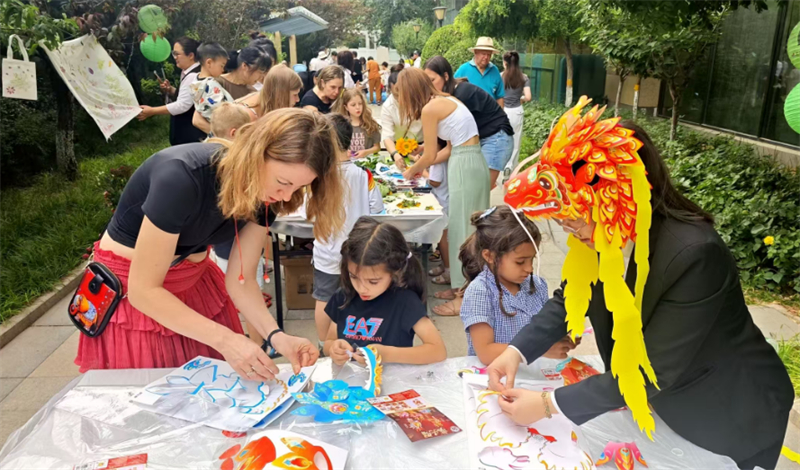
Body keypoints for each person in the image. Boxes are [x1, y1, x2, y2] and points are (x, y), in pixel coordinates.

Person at [488, 104, 793, 470]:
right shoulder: (602, 236)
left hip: (730, 407)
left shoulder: (695, 255)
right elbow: (571, 296)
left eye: (577, 220)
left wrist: (547, 404)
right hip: (662, 400)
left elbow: (652, 370)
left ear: (619, 198)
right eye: (565, 222)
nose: (573, 230)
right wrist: (516, 351)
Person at [76, 108, 345, 380]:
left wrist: (277, 336)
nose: (285, 196)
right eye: (283, 182)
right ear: (256, 153)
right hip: (133, 291)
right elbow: (143, 291)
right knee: (157, 389)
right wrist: (226, 340)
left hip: (193, 282)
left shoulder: (269, 195)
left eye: (298, 188)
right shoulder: (182, 176)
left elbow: (241, 279)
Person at [398, 68, 490, 304]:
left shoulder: (430, 109)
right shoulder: (446, 99)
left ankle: (463, 296)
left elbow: (430, 156)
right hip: (471, 160)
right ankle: (462, 287)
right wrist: (421, 154)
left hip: (464, 164)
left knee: (462, 230)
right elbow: (448, 147)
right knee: (467, 228)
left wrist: (409, 172)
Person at [324, 217, 447, 365]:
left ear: (395, 272)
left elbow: (437, 351)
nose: (361, 288)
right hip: (350, 377)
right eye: (354, 277)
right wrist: (334, 348)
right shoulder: (344, 296)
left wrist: (387, 354)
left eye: (373, 281)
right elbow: (329, 342)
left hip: (393, 377)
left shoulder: (405, 302)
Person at [459, 206, 567, 366]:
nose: (529, 268)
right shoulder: (480, 291)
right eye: (520, 262)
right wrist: (539, 349)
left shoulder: (537, 285)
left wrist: (561, 337)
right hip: (494, 375)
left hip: (533, 372)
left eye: (532, 259)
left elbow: (544, 330)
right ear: (489, 256)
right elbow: (485, 352)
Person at [311, 115, 384, 350]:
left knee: (324, 297)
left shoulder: (317, 176)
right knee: (359, 296)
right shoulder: (364, 174)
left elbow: (306, 212)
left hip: (327, 250)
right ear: (350, 140)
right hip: (358, 249)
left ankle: (324, 346)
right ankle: (359, 344)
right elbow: (377, 207)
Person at [425, 56, 513, 207]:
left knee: (478, 194)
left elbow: (449, 146)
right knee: (472, 195)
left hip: (497, 138)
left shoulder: (461, 94)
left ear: (445, 76)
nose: (429, 86)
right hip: (484, 139)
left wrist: (423, 162)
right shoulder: (450, 96)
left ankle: (480, 222)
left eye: (432, 80)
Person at [137, 37, 206, 146]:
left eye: (177, 54)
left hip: (189, 135)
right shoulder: (190, 72)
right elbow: (189, 96)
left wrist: (152, 111)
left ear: (191, 55)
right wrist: (171, 89)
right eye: (173, 54)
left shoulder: (193, 76)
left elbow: (182, 105)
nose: (175, 57)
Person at [193, 46, 273, 134]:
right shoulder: (215, 84)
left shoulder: (253, 92)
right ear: (245, 66)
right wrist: (223, 136)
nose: (261, 77)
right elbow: (197, 120)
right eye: (260, 72)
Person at [501, 51, 531, 174]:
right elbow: (528, 97)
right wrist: (520, 99)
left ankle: (502, 166)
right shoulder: (523, 77)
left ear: (505, 63)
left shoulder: (500, 76)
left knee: (503, 139)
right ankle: (511, 167)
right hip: (517, 112)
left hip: (503, 111)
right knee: (516, 140)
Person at [237, 64, 303, 118]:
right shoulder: (248, 114)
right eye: (295, 95)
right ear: (281, 94)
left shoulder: (269, 105)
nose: (297, 100)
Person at [454, 37, 505, 106]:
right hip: (469, 111)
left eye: (489, 54)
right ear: (475, 52)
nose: (486, 57)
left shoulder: (494, 71)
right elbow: (452, 90)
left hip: (490, 112)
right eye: (483, 54)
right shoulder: (463, 69)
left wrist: (500, 112)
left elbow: (500, 97)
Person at [332, 89, 381, 159]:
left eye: (360, 104)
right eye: (353, 105)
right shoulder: (341, 126)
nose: (358, 107)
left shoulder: (370, 124)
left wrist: (366, 152)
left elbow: (377, 147)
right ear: (346, 107)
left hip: (367, 161)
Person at [190, 43, 233, 123]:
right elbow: (220, 108)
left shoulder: (195, 81)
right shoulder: (212, 85)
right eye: (222, 66)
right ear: (209, 63)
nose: (223, 70)